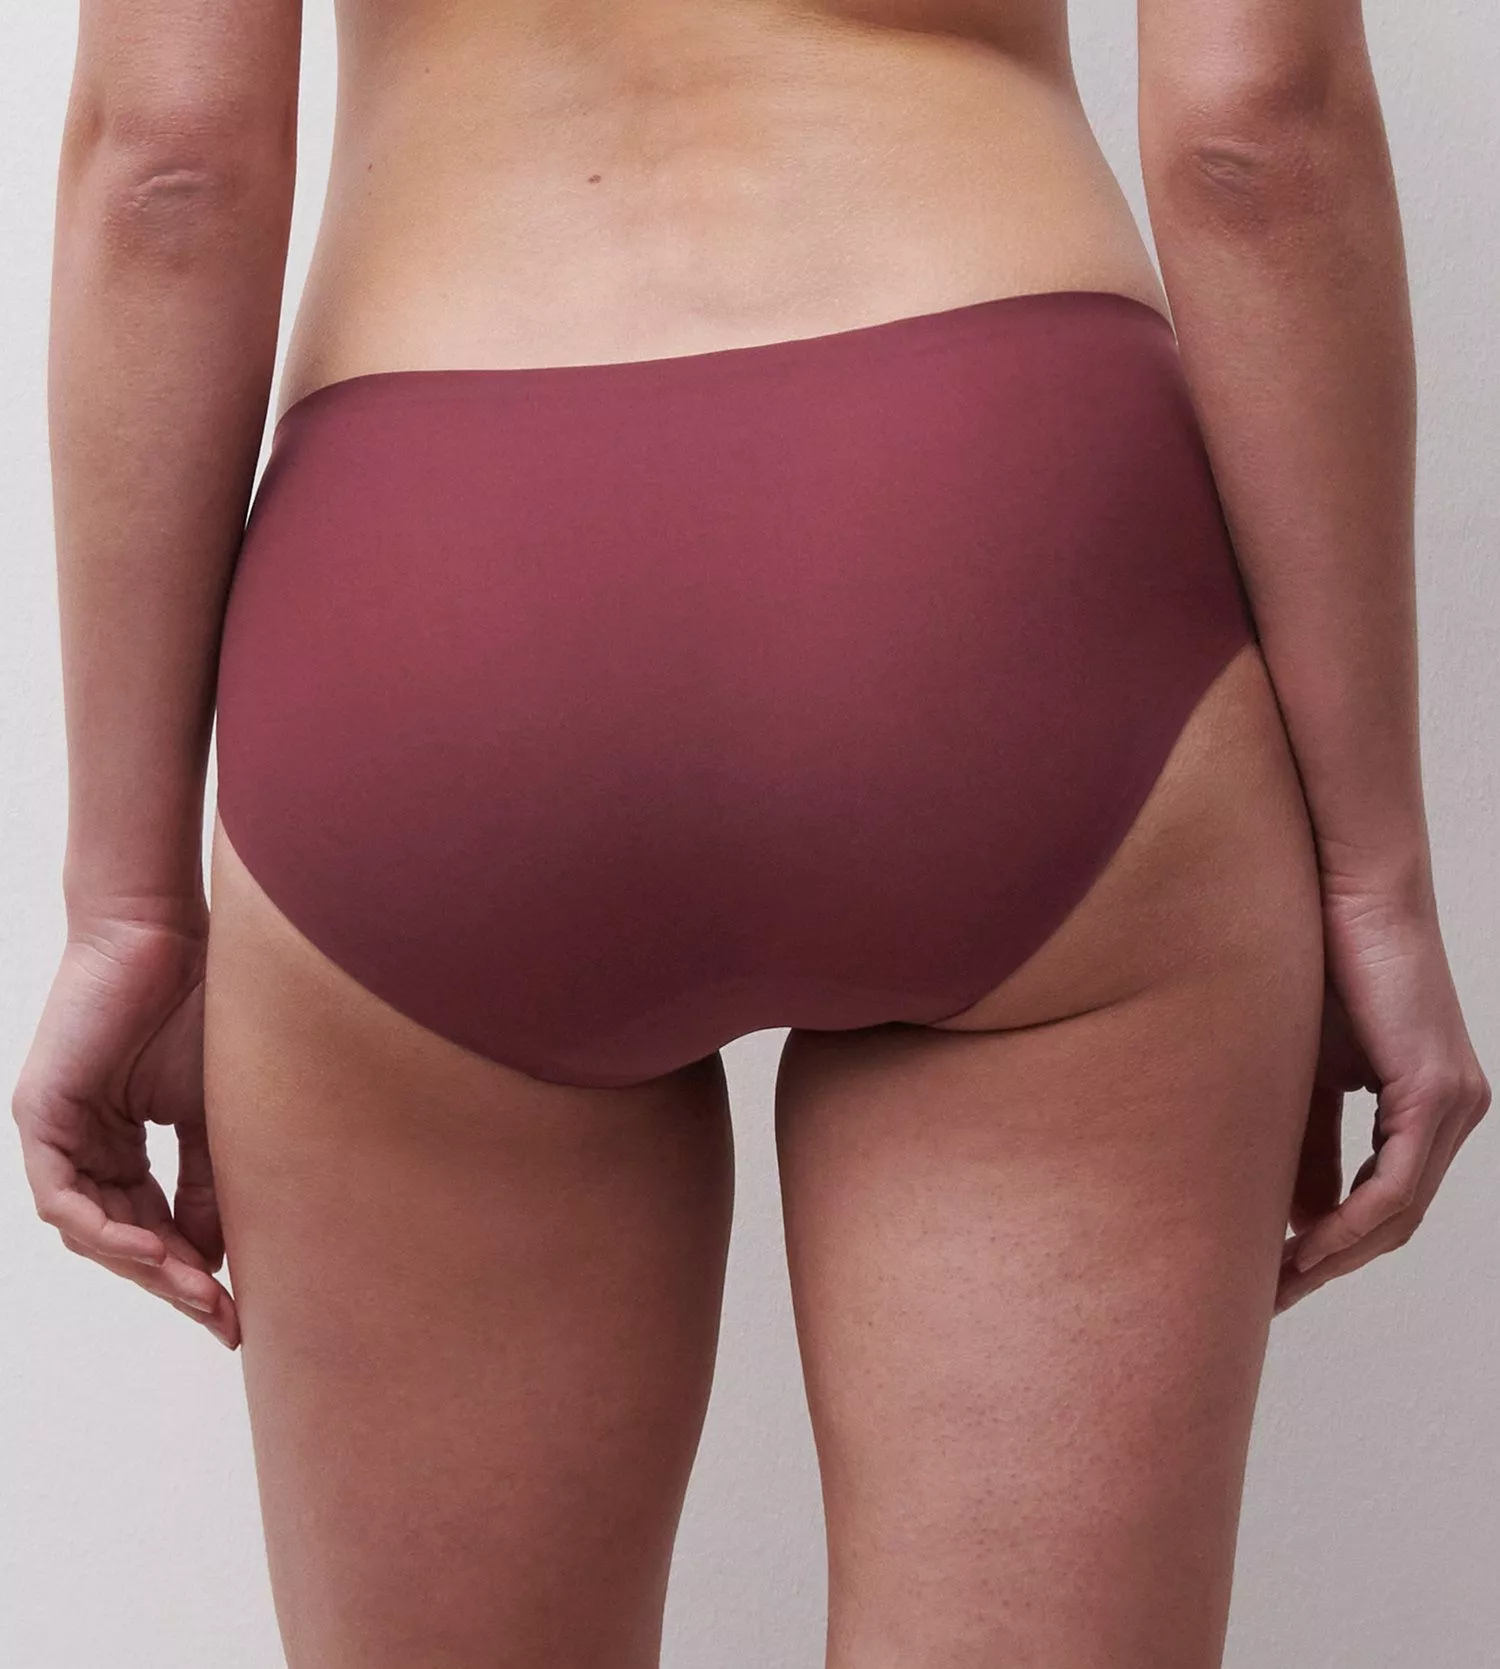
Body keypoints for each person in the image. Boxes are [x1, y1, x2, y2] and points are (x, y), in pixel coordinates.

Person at [12, 0, 1490, 1662]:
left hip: (439, 594)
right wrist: (1374, 879)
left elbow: (169, 169)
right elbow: (1257, 133)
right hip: (995, 538)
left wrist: (129, 906)